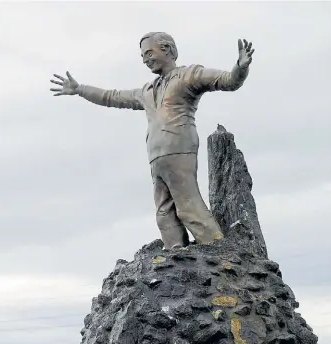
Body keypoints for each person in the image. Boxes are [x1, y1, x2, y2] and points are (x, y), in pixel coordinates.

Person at [50, 32, 255, 250]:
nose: (146, 59)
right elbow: (112, 96)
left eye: (149, 53)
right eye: (142, 56)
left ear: (167, 49)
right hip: (156, 157)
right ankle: (176, 253)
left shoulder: (188, 75)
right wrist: (79, 89)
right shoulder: (147, 90)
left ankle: (219, 252)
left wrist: (240, 68)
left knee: (188, 206)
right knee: (164, 212)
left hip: (178, 149)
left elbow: (227, 81)